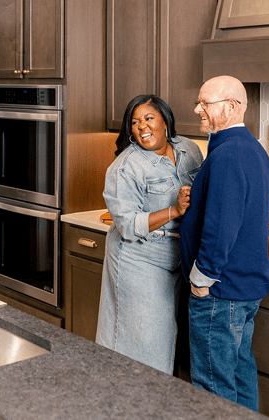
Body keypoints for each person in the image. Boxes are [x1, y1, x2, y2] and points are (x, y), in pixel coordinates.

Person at [179, 75, 269, 410]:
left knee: (212, 386)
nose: (197, 109)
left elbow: (221, 226)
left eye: (206, 103)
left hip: (220, 290)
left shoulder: (228, 154)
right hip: (244, 288)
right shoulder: (252, 149)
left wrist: (201, 279)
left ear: (232, 107)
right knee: (238, 374)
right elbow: (264, 209)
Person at [96, 95, 204, 374]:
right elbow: (128, 225)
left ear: (165, 121)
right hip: (138, 259)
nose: (142, 127)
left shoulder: (189, 150)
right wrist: (174, 210)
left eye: (148, 118)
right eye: (134, 122)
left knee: (170, 339)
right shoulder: (125, 167)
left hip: (178, 257)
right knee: (144, 345)